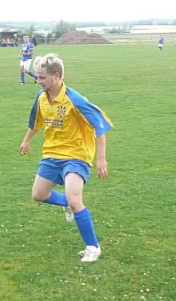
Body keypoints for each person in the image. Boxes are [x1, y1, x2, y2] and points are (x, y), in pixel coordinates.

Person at [19, 53, 113, 262]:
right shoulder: (41, 98)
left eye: (42, 77)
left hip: (76, 155)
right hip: (52, 153)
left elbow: (99, 125)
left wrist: (101, 158)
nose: (38, 80)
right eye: (38, 76)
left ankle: (93, 247)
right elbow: (36, 121)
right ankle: (66, 205)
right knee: (38, 195)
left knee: (74, 197)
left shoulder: (75, 100)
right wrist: (26, 141)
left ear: (57, 75)